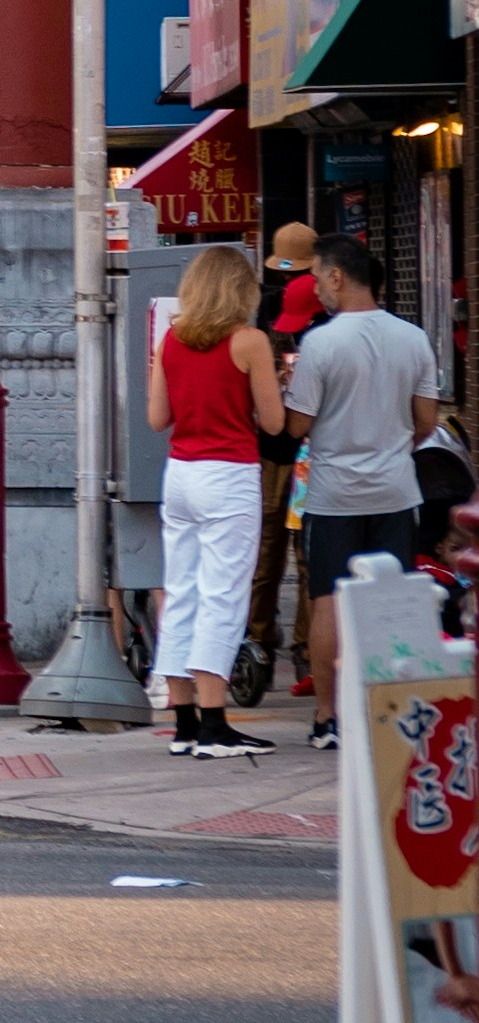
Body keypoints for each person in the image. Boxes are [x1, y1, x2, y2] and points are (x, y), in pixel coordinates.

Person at [285, 232, 445, 751]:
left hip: (333, 494)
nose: (315, 289)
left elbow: (296, 426)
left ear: (336, 276)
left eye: (315, 278)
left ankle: (327, 718)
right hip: (396, 491)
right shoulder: (413, 337)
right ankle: (395, 713)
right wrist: (391, 443)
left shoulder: (320, 343)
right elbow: (426, 422)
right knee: (392, 601)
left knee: (327, 600)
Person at [146, 244, 285, 758]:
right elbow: (273, 423)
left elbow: (157, 419)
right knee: (224, 595)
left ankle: (183, 721)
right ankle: (214, 723)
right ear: (239, 289)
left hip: (179, 473)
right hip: (228, 474)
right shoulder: (249, 341)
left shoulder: (172, 339)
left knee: (181, 590)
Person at [240, 222, 325, 703]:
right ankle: (262, 645)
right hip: (279, 447)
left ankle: (302, 652)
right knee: (271, 550)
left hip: (299, 450)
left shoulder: (328, 319)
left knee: (299, 553)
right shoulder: (269, 309)